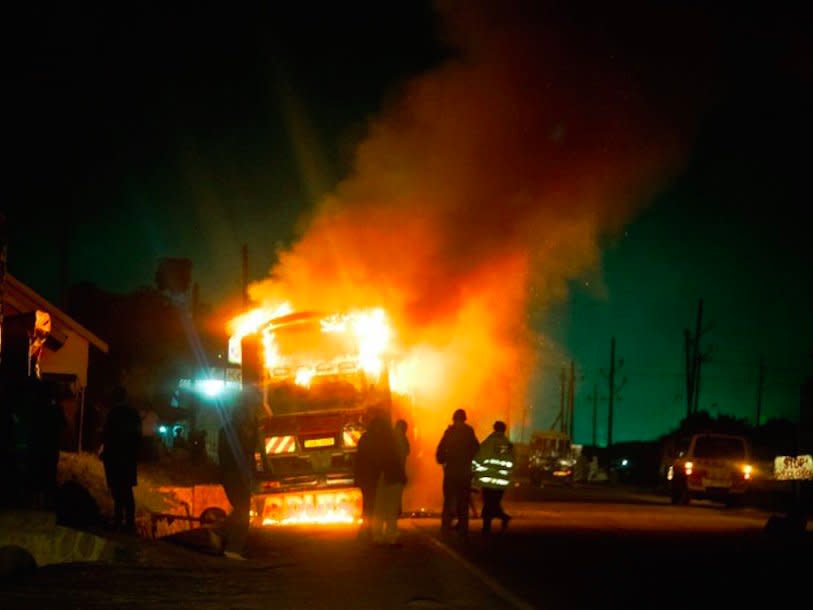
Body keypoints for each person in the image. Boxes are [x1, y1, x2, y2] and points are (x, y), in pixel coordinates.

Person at [218, 390, 258, 559]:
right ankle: (233, 548)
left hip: (230, 474)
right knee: (243, 511)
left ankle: (220, 533)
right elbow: (247, 450)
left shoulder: (225, 429)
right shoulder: (238, 431)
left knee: (240, 509)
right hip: (237, 474)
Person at [100, 386, 142, 533]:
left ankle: (119, 520)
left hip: (115, 457)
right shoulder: (132, 413)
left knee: (117, 491)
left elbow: (107, 435)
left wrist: (105, 452)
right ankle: (129, 523)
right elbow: (138, 436)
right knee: (127, 490)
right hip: (128, 458)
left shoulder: (113, 413)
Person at [436, 408, 479, 536]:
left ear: (454, 419)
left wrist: (442, 459)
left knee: (449, 499)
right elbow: (476, 450)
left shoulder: (449, 432)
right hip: (464, 473)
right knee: (463, 500)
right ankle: (463, 526)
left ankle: (446, 525)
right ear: (464, 419)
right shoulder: (469, 432)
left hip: (451, 472)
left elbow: (440, 451)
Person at [354, 409, 393, 541]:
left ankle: (366, 530)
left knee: (368, 505)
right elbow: (384, 458)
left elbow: (359, 459)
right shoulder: (380, 439)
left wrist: (358, 477)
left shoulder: (365, 438)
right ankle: (371, 530)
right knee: (375, 505)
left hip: (367, 478)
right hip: (374, 477)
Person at [372, 419, 410, 545]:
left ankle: (378, 535)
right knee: (391, 508)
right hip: (395, 478)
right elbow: (402, 459)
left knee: (380, 507)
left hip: (383, 477)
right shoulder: (402, 441)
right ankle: (390, 536)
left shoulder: (385, 440)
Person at [473, 420, 514, 533]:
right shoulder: (508, 445)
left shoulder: (488, 442)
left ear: (494, 428)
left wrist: (474, 472)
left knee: (488, 503)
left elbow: (478, 458)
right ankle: (500, 519)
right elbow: (513, 462)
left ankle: (488, 526)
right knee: (494, 503)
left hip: (488, 480)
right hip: (501, 482)